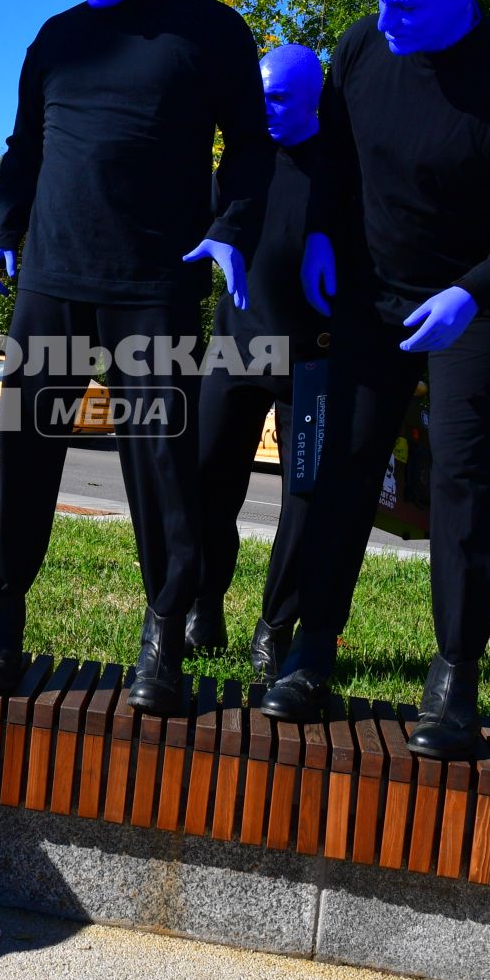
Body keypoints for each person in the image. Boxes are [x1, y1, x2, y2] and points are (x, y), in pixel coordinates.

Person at [259, 0, 490, 761]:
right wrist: (326, 232)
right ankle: (311, 649)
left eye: (406, 7)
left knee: (466, 482)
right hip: (373, 294)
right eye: (381, 0)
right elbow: (331, 156)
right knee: (344, 469)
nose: (386, 19)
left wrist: (474, 292)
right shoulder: (365, 48)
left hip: (474, 303)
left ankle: (453, 673)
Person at [0, 0, 271, 716]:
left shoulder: (208, 31)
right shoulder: (58, 39)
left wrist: (230, 228)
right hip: (53, 277)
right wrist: (2, 227)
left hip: (153, 284)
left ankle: (163, 635)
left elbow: (250, 145)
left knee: (162, 465)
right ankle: (1, 627)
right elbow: (24, 144)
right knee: (24, 454)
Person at [189, 44, 332, 681]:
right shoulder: (243, 157)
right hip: (236, 344)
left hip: (311, 357)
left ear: (313, 100)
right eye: (259, 98)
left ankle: (276, 625)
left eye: (277, 100)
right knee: (210, 480)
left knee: (304, 498)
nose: (263, 111)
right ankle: (204, 598)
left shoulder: (342, 167)